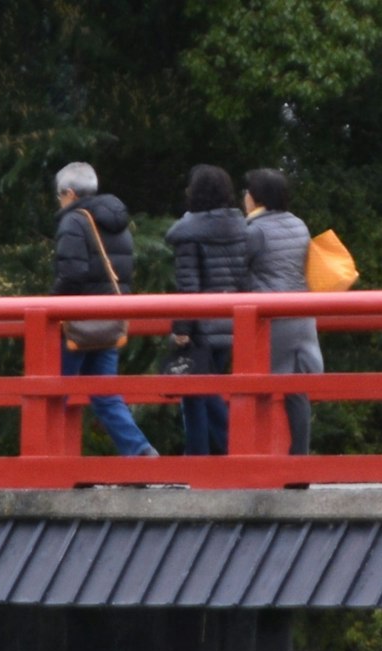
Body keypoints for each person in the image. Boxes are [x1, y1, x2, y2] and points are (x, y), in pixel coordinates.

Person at [49, 162, 156, 460]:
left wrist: (48, 307)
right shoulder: (118, 224)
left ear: (69, 193)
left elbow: (72, 275)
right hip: (109, 321)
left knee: (54, 392)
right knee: (106, 394)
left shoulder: (74, 221)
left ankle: (50, 463)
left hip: (79, 324)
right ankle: (141, 453)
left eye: (60, 196)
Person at [164, 164, 249, 458]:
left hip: (201, 324)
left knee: (199, 393)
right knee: (205, 388)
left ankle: (221, 451)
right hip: (234, 322)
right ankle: (207, 454)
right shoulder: (242, 228)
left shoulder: (189, 233)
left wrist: (181, 327)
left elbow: (189, 285)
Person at [242, 167, 322, 457]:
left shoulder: (254, 230)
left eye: (247, 192)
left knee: (259, 387)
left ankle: (257, 458)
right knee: (297, 390)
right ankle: (299, 457)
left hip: (272, 318)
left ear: (256, 198)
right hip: (302, 313)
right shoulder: (299, 224)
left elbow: (240, 272)